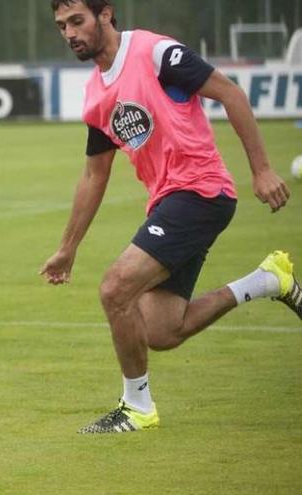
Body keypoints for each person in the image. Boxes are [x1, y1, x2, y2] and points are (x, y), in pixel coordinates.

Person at [43, 0, 300, 434]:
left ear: (105, 15)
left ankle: (136, 408)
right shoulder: (95, 97)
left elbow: (230, 92)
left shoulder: (155, 53)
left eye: (77, 21)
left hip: (200, 191)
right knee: (162, 330)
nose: (69, 33)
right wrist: (67, 249)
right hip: (168, 202)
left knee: (114, 288)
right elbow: (94, 176)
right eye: (61, 25)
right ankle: (268, 280)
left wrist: (261, 170)